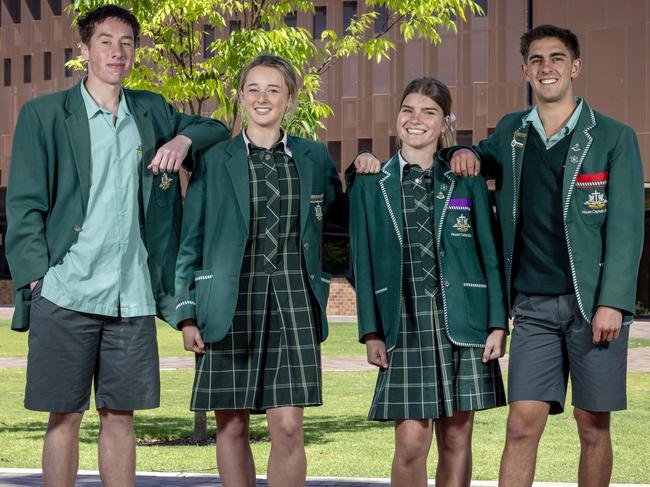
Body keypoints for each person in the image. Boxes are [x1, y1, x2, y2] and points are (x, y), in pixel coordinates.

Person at [356, 24, 645, 487]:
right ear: (525, 70)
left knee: (592, 425)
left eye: (556, 58)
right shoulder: (513, 130)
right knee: (521, 424)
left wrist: (613, 301)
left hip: (593, 307)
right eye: (536, 60)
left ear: (575, 67)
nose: (546, 67)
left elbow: (629, 228)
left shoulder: (613, 137)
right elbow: (465, 154)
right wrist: (465, 149)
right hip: (531, 307)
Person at [5, 5, 229, 487]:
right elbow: (23, 207)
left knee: (120, 416)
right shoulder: (44, 116)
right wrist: (39, 278)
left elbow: (217, 129)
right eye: (105, 41)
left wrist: (183, 141)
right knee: (63, 416)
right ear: (83, 49)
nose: (117, 51)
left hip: (132, 295)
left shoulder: (151, 111)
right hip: (65, 291)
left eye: (126, 42)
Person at [175, 54, 351, 487]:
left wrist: (363, 162)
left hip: (294, 304)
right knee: (231, 427)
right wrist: (185, 312)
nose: (262, 97)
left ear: (290, 99)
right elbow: (190, 241)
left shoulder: (313, 156)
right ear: (239, 97)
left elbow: (340, 222)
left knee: (289, 427)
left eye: (274, 89)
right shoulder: (214, 159)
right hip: (227, 305)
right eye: (252, 88)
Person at [349, 77, 507, 487]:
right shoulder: (371, 183)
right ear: (397, 117)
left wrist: (497, 324)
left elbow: (489, 254)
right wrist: (370, 332)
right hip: (405, 326)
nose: (416, 120)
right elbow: (361, 264)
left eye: (428, 112)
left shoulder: (464, 176)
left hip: (463, 323)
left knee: (457, 439)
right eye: (408, 110)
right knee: (411, 445)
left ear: (444, 124)